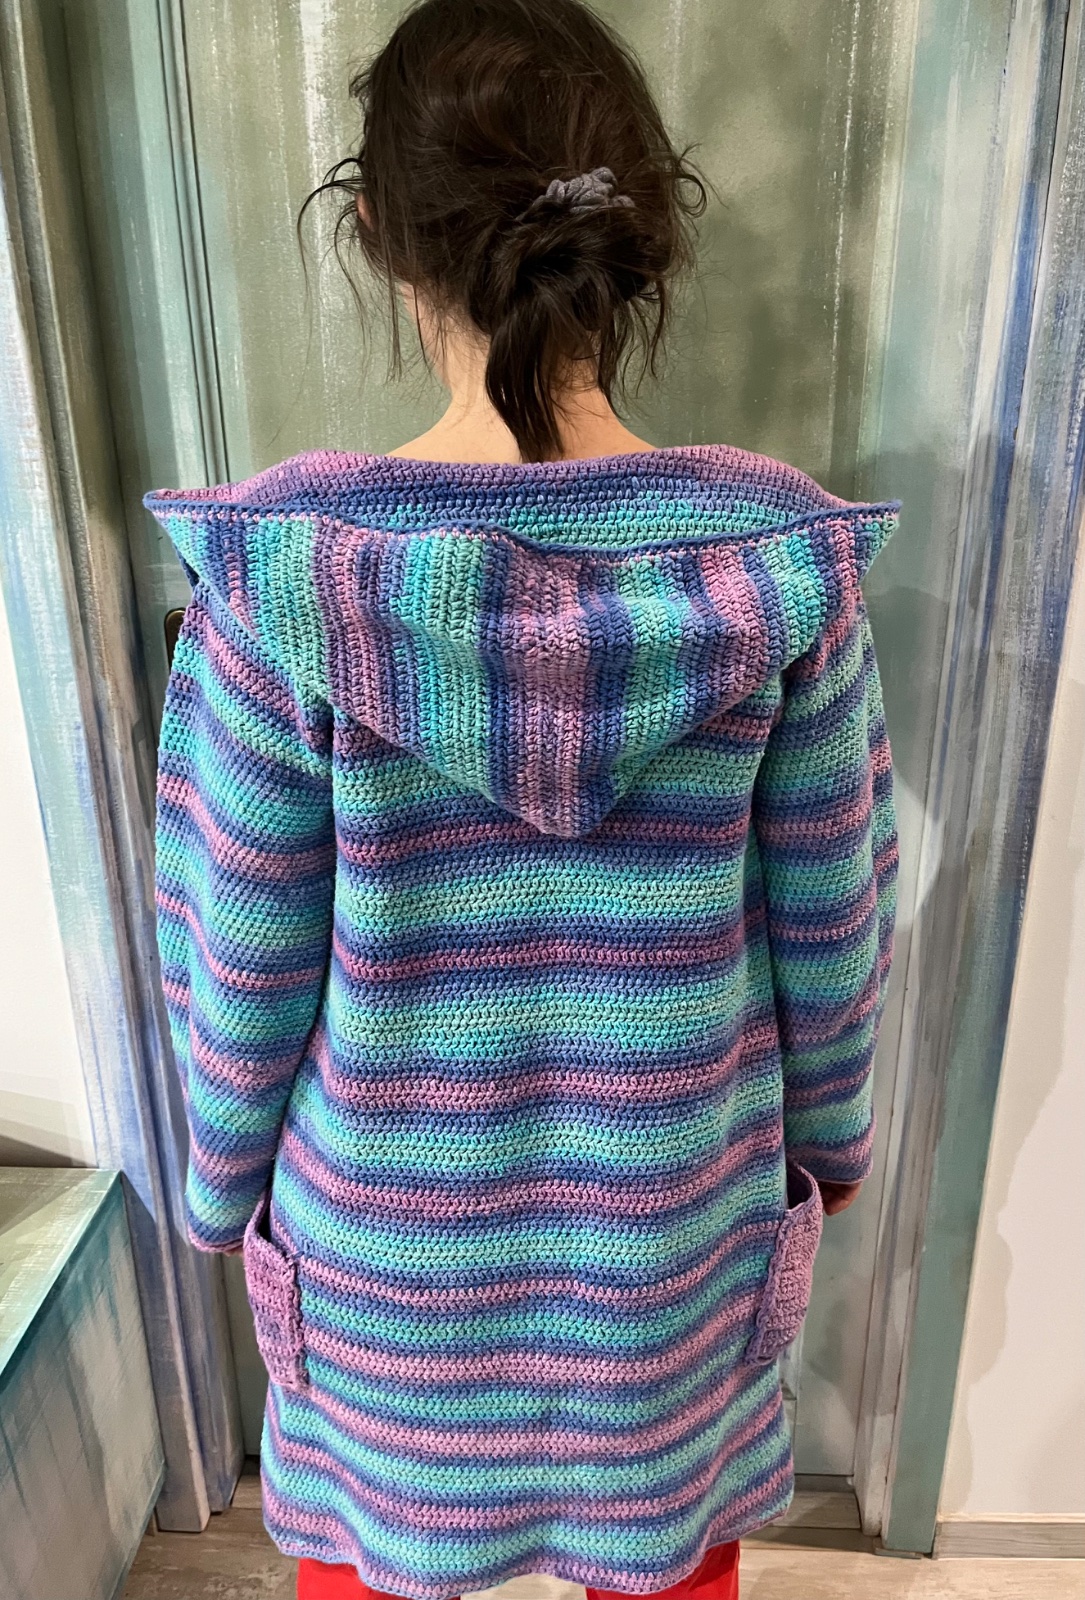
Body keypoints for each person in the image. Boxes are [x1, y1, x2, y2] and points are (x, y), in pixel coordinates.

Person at [143, 2, 900, 1597]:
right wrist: (828, 1140)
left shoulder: (291, 586)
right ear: (640, 237)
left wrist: (218, 1183)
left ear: (372, 231)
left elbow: (237, 952)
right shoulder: (773, 571)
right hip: (664, 1240)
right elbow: (832, 920)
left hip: (391, 1259)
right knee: (670, 1559)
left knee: (370, 1564)